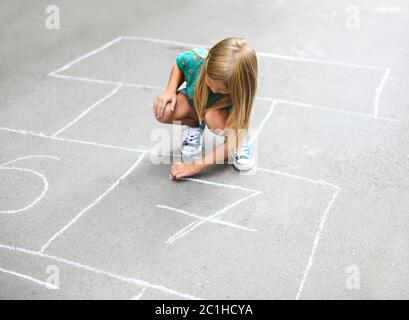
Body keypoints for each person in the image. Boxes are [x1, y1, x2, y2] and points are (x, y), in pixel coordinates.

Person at [153, 37, 258, 180]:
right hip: (195, 102)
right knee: (164, 111)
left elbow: (196, 166)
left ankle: (239, 137)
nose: (214, 90)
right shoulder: (196, 60)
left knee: (213, 119)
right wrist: (170, 90)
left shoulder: (240, 92)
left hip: (219, 113)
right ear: (207, 64)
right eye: (210, 83)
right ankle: (195, 124)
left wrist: (195, 167)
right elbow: (179, 64)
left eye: (222, 90)